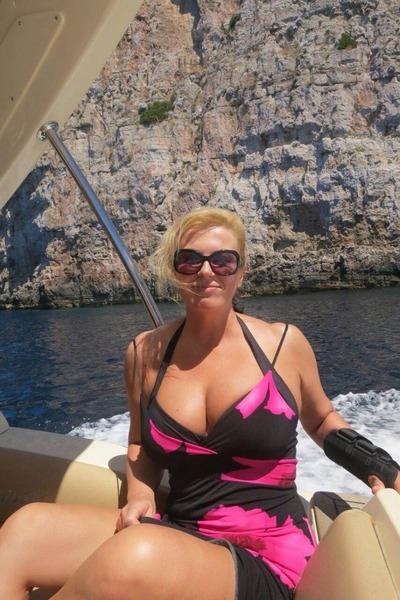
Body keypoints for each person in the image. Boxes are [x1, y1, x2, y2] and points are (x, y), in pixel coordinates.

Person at [0, 207, 399, 600]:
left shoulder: (283, 345)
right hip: (180, 529)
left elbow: (323, 420)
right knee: (27, 530)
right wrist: (141, 496)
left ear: (241, 271)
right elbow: (140, 445)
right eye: (190, 260)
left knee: (133, 557)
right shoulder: (144, 354)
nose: (206, 271)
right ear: (175, 271)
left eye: (223, 260)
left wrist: (386, 471)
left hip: (269, 552)